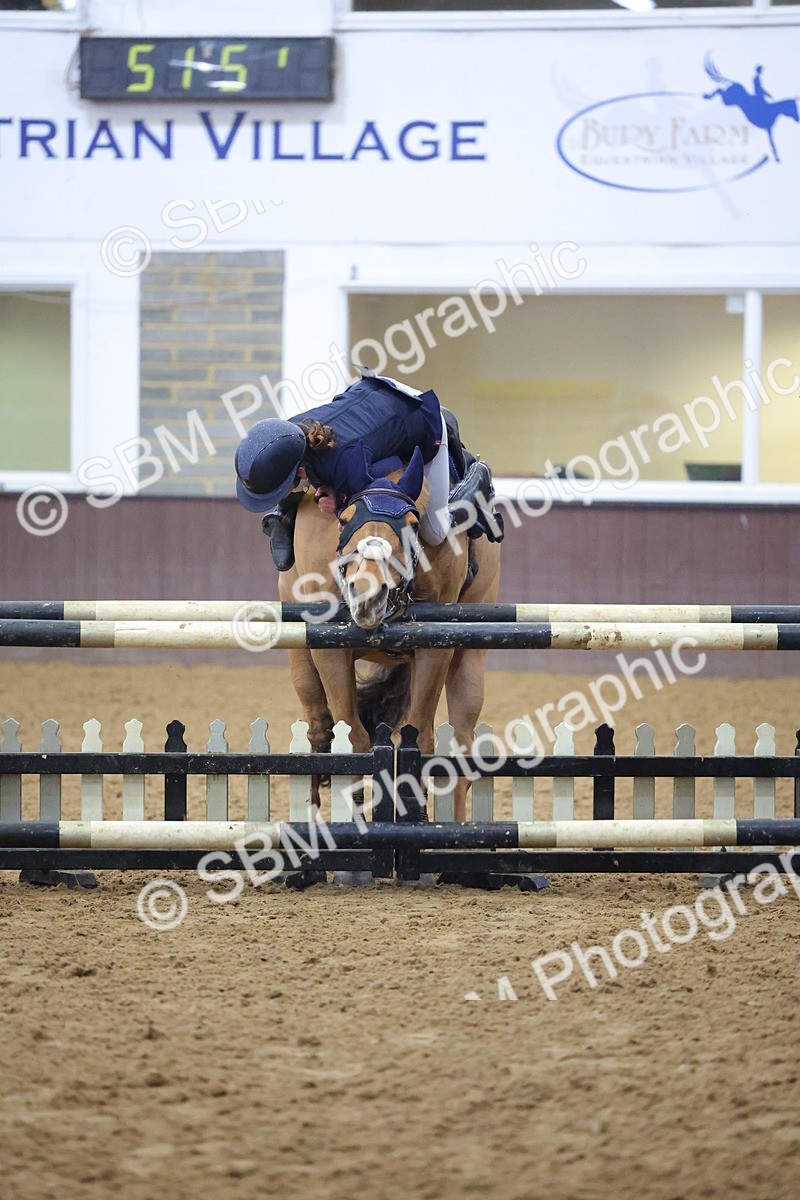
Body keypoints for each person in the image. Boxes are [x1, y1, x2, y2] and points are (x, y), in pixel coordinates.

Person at [234, 372, 502, 571]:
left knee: (435, 533)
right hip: (372, 391)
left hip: (421, 418)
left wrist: (341, 500)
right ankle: (284, 517)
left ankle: (472, 487)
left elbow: (391, 468)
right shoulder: (289, 432)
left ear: (301, 470)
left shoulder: (345, 463)